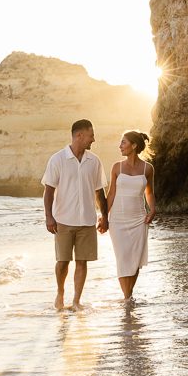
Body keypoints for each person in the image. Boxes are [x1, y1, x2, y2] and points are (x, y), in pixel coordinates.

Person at [42, 119, 109, 310]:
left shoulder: (94, 161)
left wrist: (105, 216)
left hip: (87, 220)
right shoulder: (57, 160)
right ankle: (60, 293)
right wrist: (49, 216)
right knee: (62, 262)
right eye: (91, 135)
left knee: (82, 261)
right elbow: (49, 191)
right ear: (79, 135)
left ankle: (76, 300)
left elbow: (99, 192)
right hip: (63, 219)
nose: (93, 139)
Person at [106, 130, 156, 299]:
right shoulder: (116, 167)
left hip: (139, 219)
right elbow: (111, 194)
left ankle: (128, 297)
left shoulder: (147, 169)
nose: (120, 146)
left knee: (134, 261)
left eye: (123, 142)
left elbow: (149, 193)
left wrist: (153, 210)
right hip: (118, 220)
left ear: (134, 146)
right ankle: (127, 298)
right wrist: (104, 216)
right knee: (122, 259)